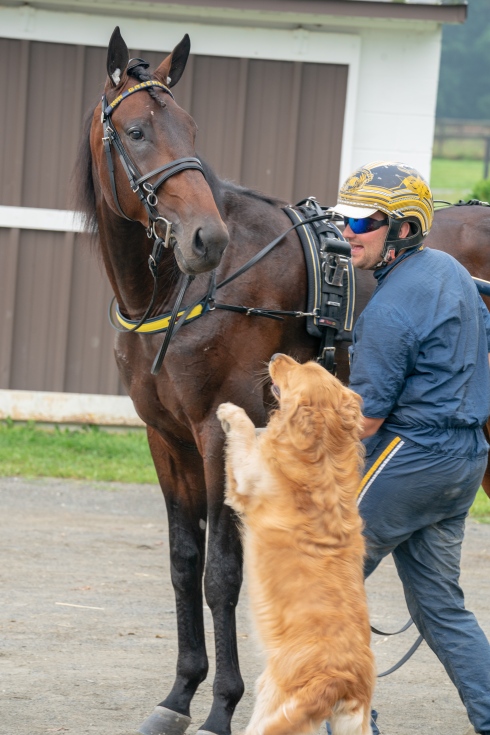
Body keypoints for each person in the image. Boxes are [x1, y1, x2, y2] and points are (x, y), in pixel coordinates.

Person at [331, 161, 490, 735]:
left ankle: (351, 725)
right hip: (465, 464)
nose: (347, 230)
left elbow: (366, 421)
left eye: (362, 220)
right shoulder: (448, 269)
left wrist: (291, 435)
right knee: (441, 608)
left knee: (324, 588)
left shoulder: (389, 310)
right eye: (341, 216)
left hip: (412, 460)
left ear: (402, 228)